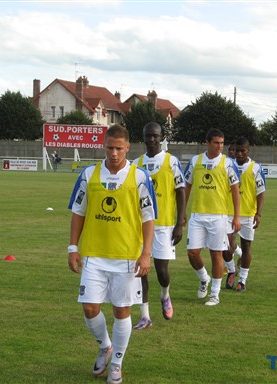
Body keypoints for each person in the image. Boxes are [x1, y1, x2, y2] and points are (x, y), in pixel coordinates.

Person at [67, 124, 156, 384]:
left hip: (127, 256)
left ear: (128, 148)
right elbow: (78, 212)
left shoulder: (140, 177)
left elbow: (149, 217)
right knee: (90, 307)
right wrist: (73, 247)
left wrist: (146, 253)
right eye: (109, 147)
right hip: (94, 254)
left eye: (119, 148)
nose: (114, 153)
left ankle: (116, 363)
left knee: (121, 311)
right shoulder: (88, 174)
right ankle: (105, 346)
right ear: (103, 146)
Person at [132, 122, 186, 329]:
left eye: (155, 136)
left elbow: (180, 191)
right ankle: (145, 316)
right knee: (141, 270)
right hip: (140, 226)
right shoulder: (136, 164)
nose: (151, 140)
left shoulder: (171, 161)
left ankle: (165, 295)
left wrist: (180, 222)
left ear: (161, 137)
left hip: (164, 225)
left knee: (161, 270)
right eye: (148, 136)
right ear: (143, 138)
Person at [183, 128, 241, 306]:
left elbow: (235, 191)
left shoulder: (228, 163)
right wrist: (182, 212)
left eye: (222, 143)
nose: (219, 146)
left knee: (217, 255)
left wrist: (236, 217)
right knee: (192, 253)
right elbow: (187, 187)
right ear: (207, 143)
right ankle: (203, 278)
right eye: (216, 143)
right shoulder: (195, 161)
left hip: (219, 216)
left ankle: (215, 294)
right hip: (197, 215)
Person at [223, 137, 266, 291]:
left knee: (246, 246)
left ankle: (242, 280)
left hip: (248, 213)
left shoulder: (255, 168)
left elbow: (261, 193)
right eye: (237, 150)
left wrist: (258, 214)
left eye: (243, 151)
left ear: (248, 150)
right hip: (227, 212)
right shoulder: (228, 165)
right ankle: (232, 270)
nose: (239, 154)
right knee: (224, 245)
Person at [223, 140, 242, 285]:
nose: (231, 153)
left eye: (234, 151)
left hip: (232, 211)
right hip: (222, 210)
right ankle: (231, 269)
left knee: (228, 242)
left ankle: (232, 267)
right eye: (230, 150)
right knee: (225, 244)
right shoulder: (224, 164)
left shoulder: (233, 166)